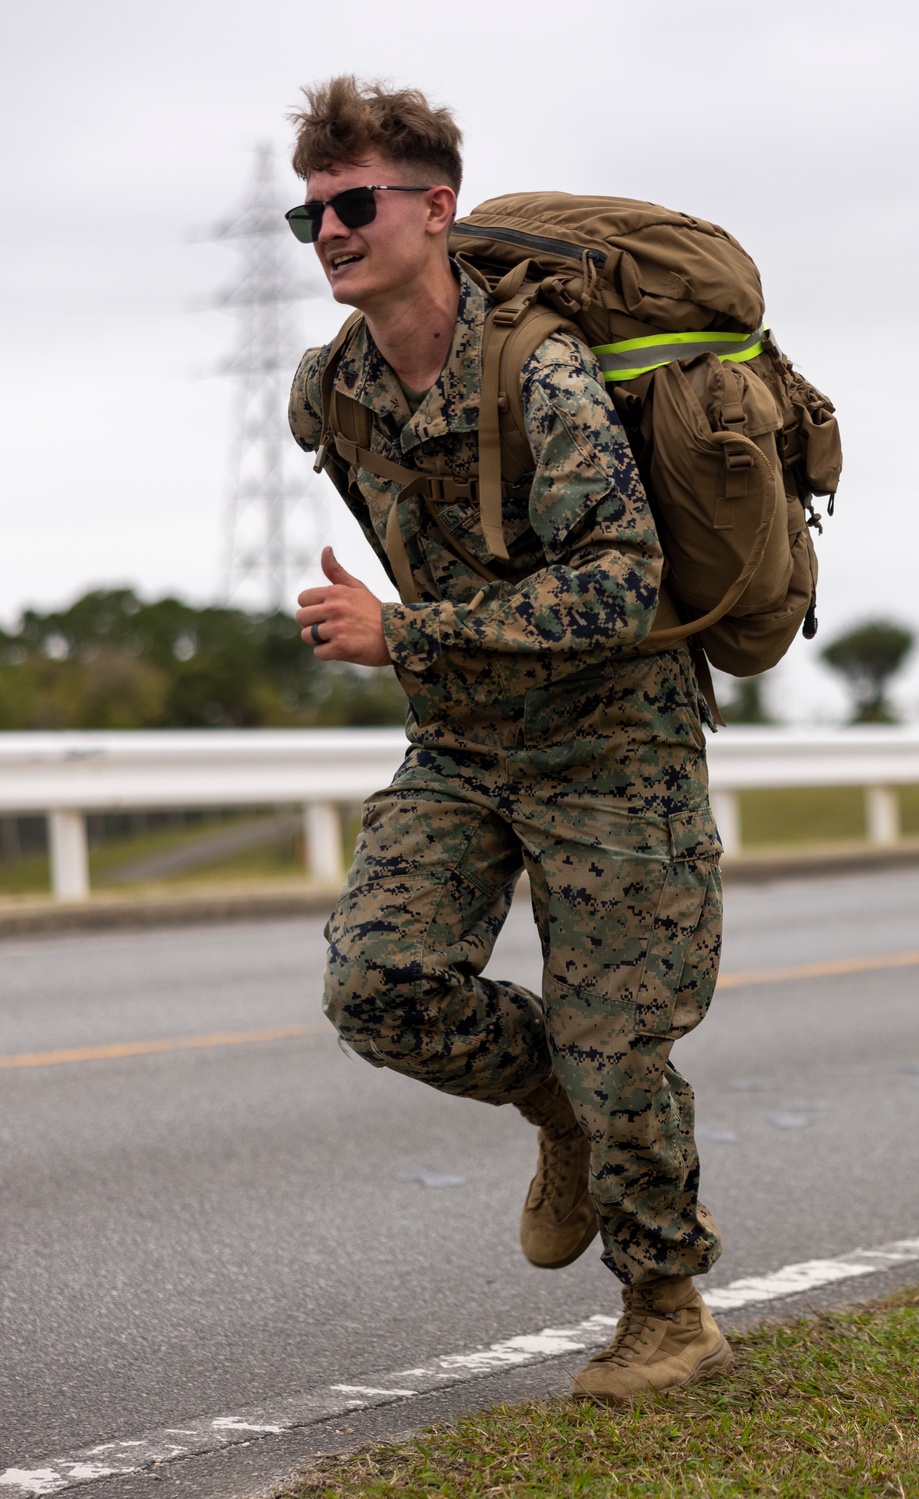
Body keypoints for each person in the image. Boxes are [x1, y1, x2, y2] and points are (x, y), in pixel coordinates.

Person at [288, 76, 732, 1404]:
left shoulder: (538, 368)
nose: (327, 233)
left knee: (619, 1044)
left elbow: (618, 583)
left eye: (354, 205)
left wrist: (403, 634)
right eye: (305, 215)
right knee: (376, 984)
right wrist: (406, 642)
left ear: (436, 209)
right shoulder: (334, 395)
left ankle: (670, 1313)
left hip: (614, 742)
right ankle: (559, 1117)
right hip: (467, 743)